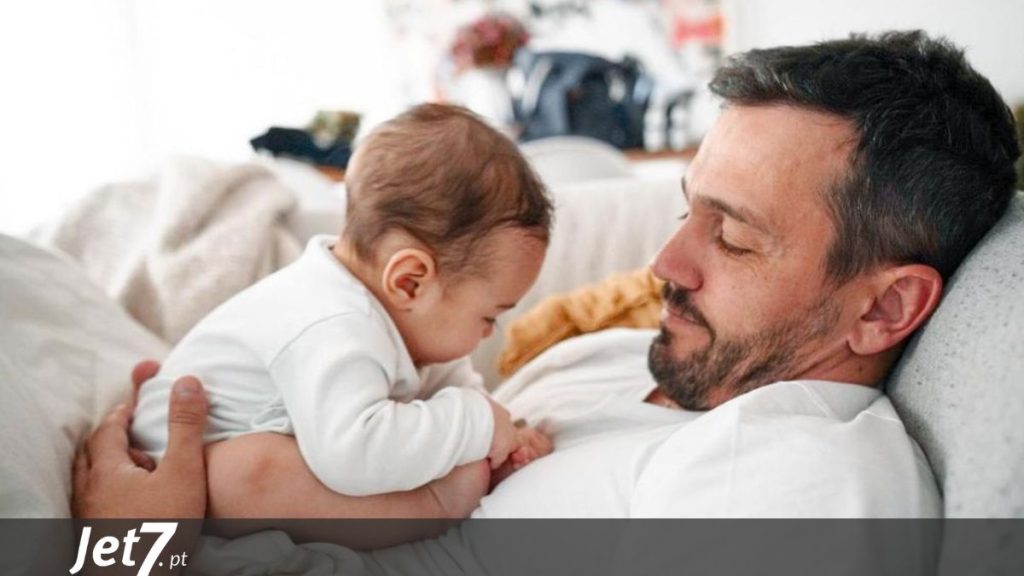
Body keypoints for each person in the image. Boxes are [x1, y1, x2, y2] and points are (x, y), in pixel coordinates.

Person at [77, 30, 1019, 527]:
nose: (662, 264)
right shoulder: (625, 355)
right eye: (686, 207)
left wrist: (128, 558)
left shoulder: (799, 484)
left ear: (884, 306)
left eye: (729, 237)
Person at [126, 103, 555, 522]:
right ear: (409, 281)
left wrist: (504, 436)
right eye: (488, 317)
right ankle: (429, 510)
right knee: (247, 470)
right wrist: (475, 425)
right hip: (176, 468)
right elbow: (354, 452)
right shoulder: (333, 322)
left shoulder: (404, 319)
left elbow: (451, 386)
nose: (487, 335)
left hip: (283, 447)